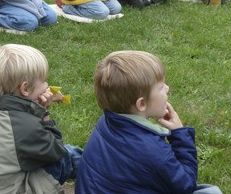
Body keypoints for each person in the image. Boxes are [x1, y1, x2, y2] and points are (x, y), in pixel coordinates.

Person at [75, 50, 222, 194]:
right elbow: (186, 185)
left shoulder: (106, 123)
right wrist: (179, 134)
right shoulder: (153, 151)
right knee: (210, 191)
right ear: (142, 104)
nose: (168, 88)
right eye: (161, 87)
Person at [0, 44, 83, 194]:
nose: (46, 86)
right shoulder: (25, 128)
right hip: (7, 190)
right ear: (25, 89)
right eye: (43, 81)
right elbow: (56, 149)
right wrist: (43, 113)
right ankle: (101, 171)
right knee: (67, 157)